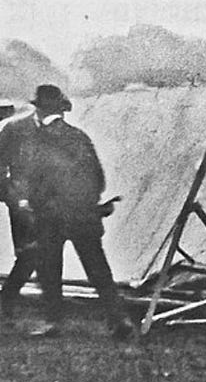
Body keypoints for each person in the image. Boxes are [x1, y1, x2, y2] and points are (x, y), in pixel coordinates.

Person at [21, 86, 132, 339]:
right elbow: (98, 178)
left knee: (49, 269)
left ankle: (53, 321)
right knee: (98, 269)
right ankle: (118, 318)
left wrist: (34, 204)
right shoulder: (80, 137)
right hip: (83, 215)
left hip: (51, 216)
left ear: (39, 111)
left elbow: (36, 181)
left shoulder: (38, 140)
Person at [0, 90, 46, 322]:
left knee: (47, 249)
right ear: (37, 108)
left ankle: (50, 307)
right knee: (29, 252)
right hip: (22, 201)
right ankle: (7, 296)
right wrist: (10, 195)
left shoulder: (60, 132)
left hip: (50, 200)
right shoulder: (15, 129)